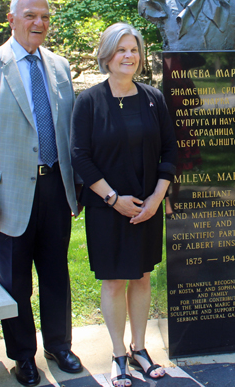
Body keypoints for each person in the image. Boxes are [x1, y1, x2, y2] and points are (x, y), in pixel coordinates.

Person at [0, 0, 83, 387]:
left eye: (45, 17)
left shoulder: (60, 67)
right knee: (14, 281)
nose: (39, 23)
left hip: (55, 190)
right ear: (11, 19)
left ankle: (59, 346)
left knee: (55, 273)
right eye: (30, 16)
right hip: (5, 197)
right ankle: (23, 356)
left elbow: (68, 132)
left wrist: (75, 188)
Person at [70, 23, 177, 387]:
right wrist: (114, 199)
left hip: (148, 207)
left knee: (142, 276)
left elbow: (169, 149)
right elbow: (80, 157)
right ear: (106, 56)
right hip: (107, 208)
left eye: (134, 50)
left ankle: (139, 348)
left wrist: (157, 198)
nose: (129, 56)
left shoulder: (153, 97)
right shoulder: (89, 102)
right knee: (115, 280)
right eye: (121, 50)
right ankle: (118, 353)